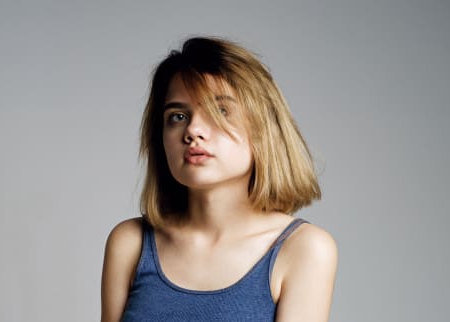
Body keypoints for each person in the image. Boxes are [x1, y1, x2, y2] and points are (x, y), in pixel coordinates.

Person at [101, 36, 338, 322]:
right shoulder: (131, 244)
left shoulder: (303, 249)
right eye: (177, 116)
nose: (193, 130)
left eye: (220, 111)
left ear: (263, 128)